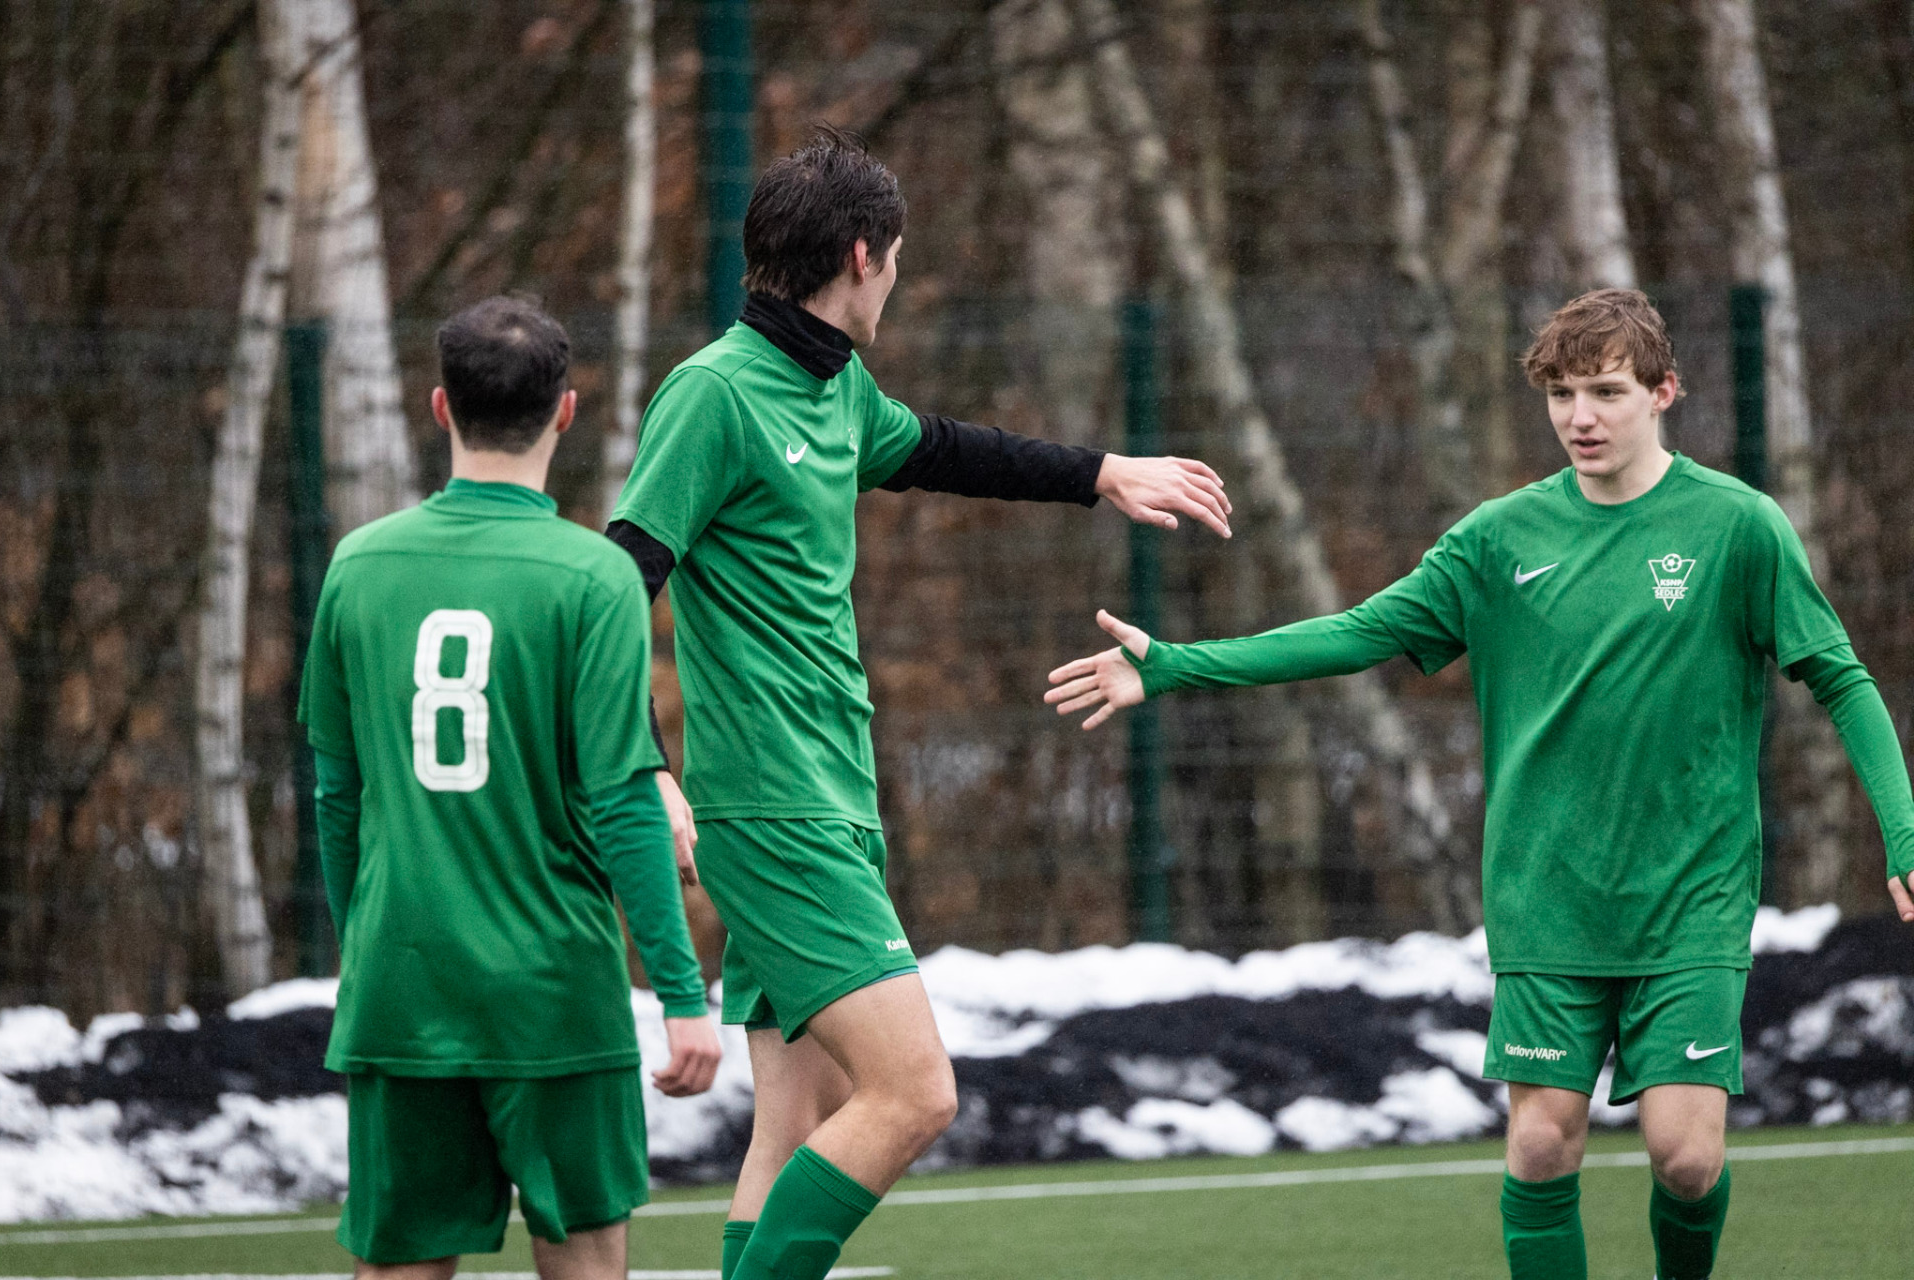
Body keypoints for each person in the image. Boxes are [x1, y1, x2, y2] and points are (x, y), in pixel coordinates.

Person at [1044, 288, 1914, 1280]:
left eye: (1607, 390)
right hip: (1545, 892)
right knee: (1542, 1144)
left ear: (1665, 391)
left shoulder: (1738, 528)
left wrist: (1905, 832)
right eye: (1561, 393)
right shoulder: (1499, 539)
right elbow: (1359, 632)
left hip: (1691, 893)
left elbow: (1840, 678)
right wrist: (1175, 663)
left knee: (1685, 1155)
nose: (1580, 416)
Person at [606, 124, 1233, 1280]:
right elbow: (614, 587)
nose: (897, 275)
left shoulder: (836, 386)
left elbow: (945, 447)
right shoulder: (714, 394)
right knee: (914, 1092)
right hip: (776, 813)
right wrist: (644, 763)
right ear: (860, 255)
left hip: (826, 799)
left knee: (799, 1122)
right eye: (895, 257)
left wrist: (1104, 473)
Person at [299, 296, 722, 1280]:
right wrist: (679, 990)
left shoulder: (357, 566)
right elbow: (625, 798)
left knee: (401, 1264)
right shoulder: (595, 576)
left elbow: (335, 791)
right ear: (566, 412)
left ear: (440, 407)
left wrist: (367, 942)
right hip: (555, 993)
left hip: (403, 983)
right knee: (583, 1258)